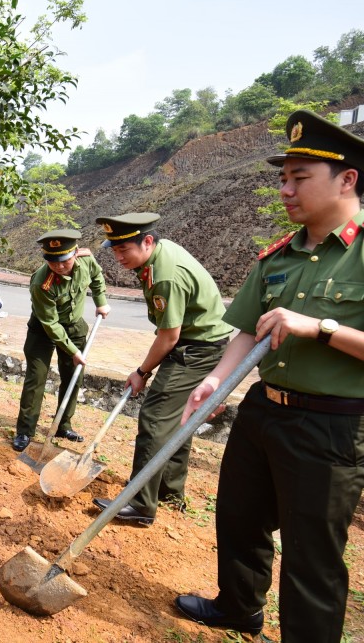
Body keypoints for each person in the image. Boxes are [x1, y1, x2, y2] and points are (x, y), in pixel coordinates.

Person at [174, 111, 364, 641]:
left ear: (347, 179)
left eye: (299, 178)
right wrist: (216, 379)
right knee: (238, 518)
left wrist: (319, 327)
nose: (285, 189)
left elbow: (307, 329)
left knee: (311, 553)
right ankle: (239, 608)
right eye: (283, 178)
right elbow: (245, 333)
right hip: (263, 411)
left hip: (330, 426)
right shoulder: (278, 257)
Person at [91, 212, 230, 525]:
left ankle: (140, 503)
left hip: (195, 349)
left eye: (124, 249)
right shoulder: (158, 256)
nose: (118, 257)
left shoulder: (165, 275)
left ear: (148, 241)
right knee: (178, 420)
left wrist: (141, 372)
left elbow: (169, 336)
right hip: (201, 342)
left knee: (155, 418)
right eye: (114, 251)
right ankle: (168, 491)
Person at [13, 230, 109, 452]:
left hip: (74, 326)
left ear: (75, 253)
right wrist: (73, 350)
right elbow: (51, 324)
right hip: (43, 330)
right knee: (36, 378)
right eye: (52, 261)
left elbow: (97, 277)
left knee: (73, 377)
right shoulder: (41, 283)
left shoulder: (87, 260)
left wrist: (101, 301)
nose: (59, 266)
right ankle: (25, 431)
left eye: (64, 261)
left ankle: (62, 425)